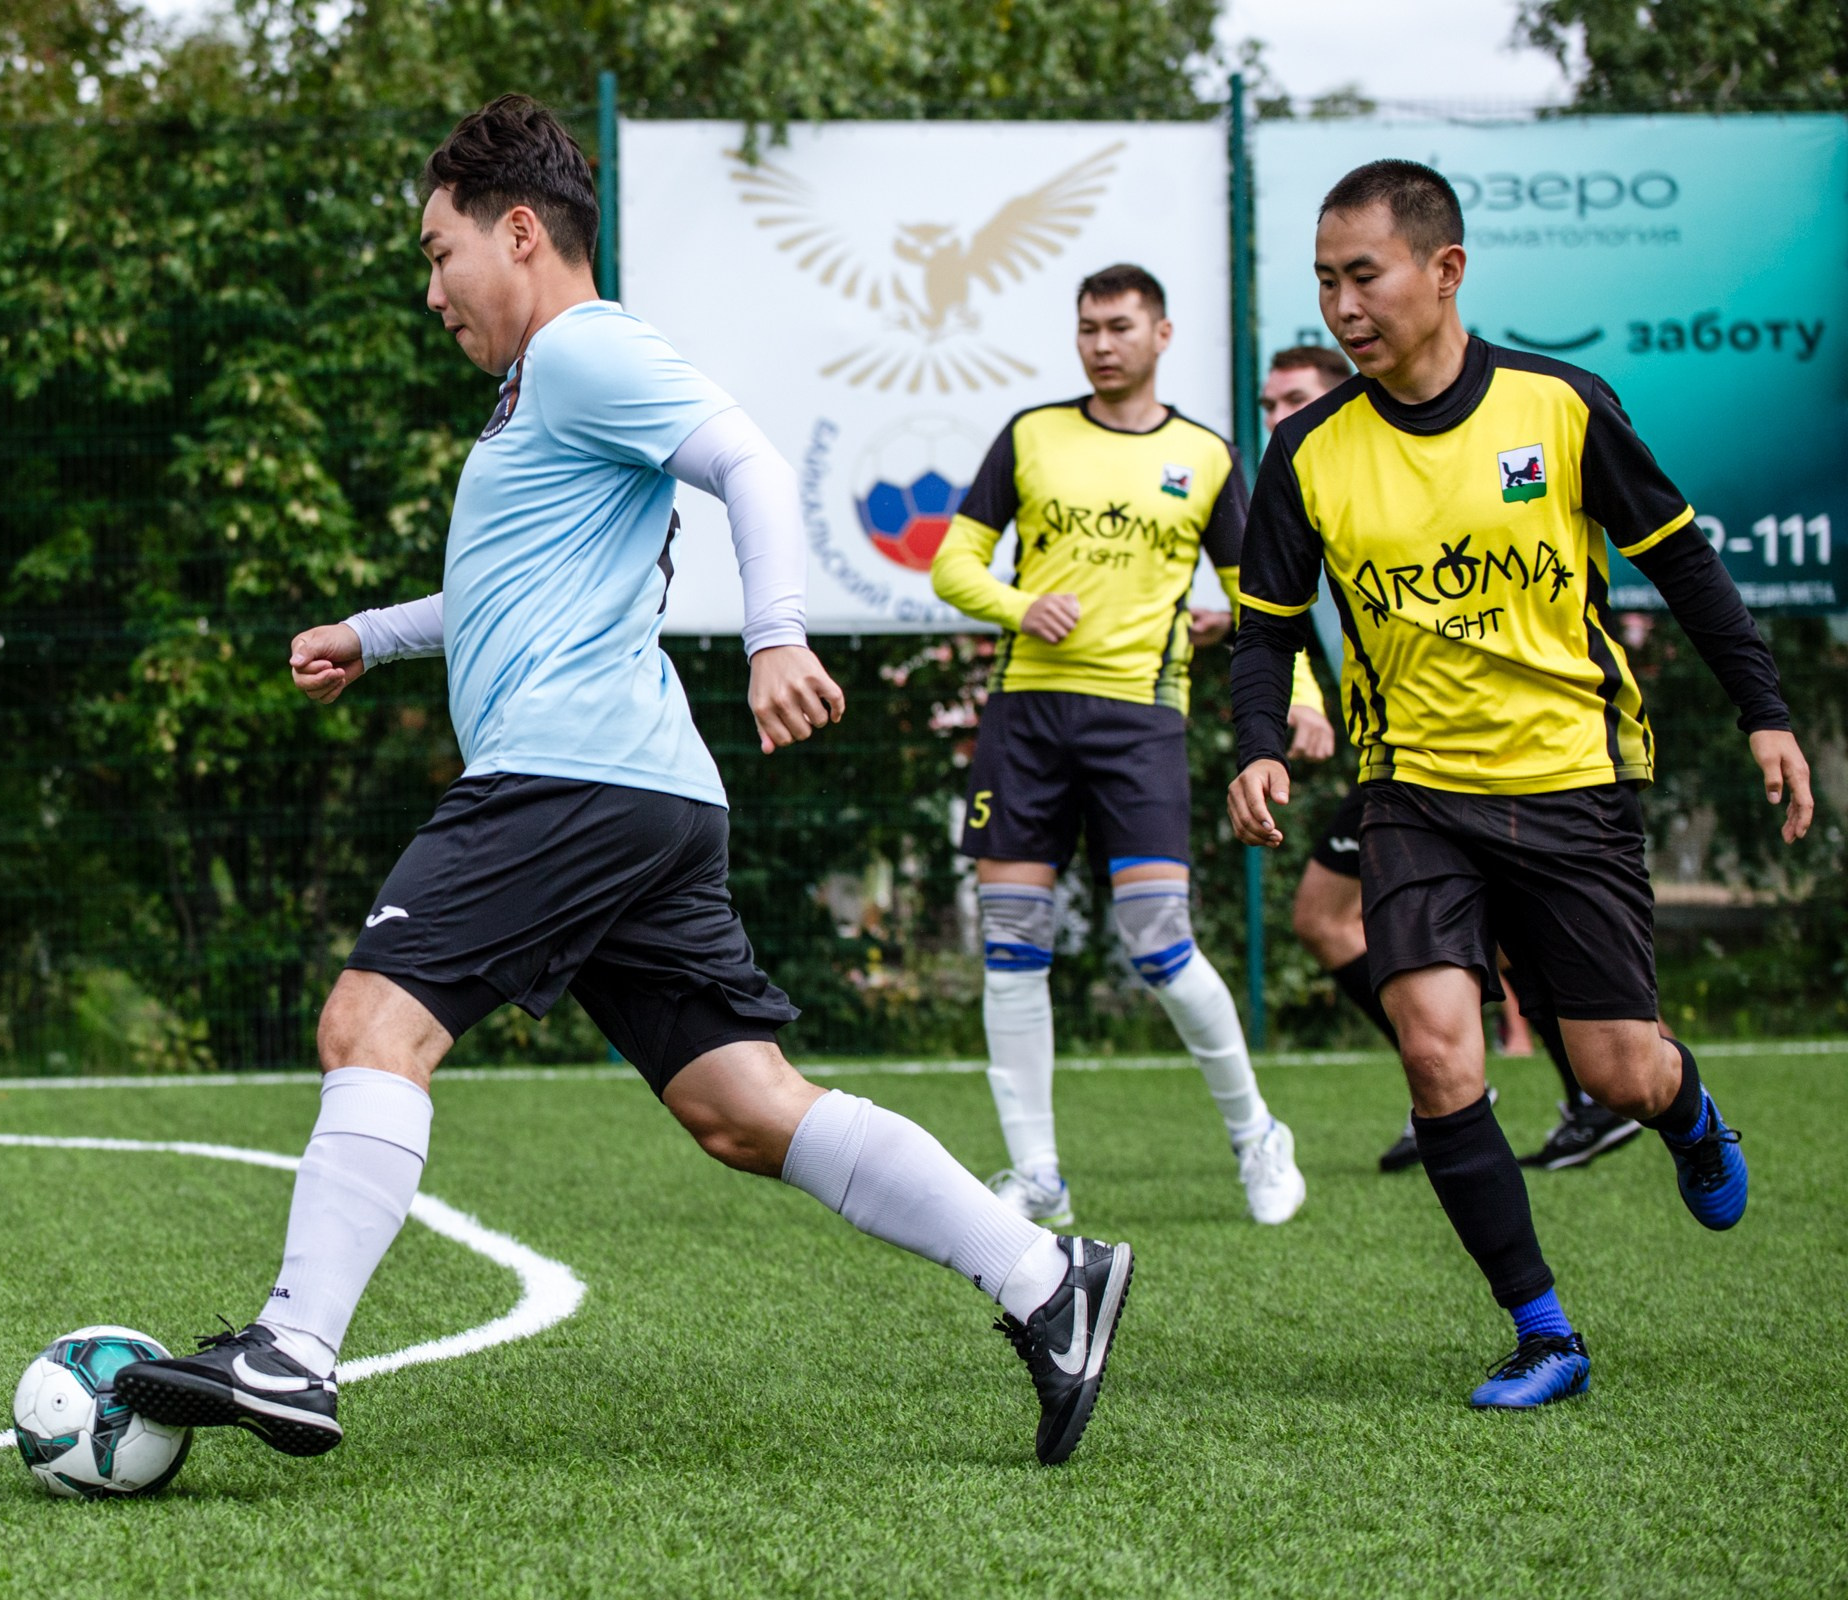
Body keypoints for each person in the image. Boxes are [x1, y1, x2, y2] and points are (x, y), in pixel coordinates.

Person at [110, 96, 1132, 1469]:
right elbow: (500, 590)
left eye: (437, 254)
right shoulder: (541, 388)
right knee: (742, 1107)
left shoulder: (588, 347)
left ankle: (292, 1348)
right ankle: (1046, 1283)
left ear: (518, 232)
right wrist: (374, 634)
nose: (431, 291)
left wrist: (776, 633)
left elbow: (753, 462)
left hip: (565, 777)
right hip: (640, 793)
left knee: (370, 1024)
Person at [1228, 159, 1812, 1408]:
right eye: (1326, 280)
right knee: (1441, 1057)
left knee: (1616, 1071)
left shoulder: (1561, 407)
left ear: (1445, 272)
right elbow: (1264, 625)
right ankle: (1544, 1331)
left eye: (1364, 275)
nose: (1343, 305)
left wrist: (1766, 711)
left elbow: (1689, 569)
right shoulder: (1307, 450)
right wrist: (1258, 745)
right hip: (1414, 795)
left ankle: (1689, 1110)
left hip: (1573, 788)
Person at [930, 264, 1328, 1231]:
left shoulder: (1206, 454)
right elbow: (953, 563)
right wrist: (1023, 604)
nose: (1101, 343)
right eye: (1087, 328)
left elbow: (1261, 602)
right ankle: (1038, 1176)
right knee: (1013, 946)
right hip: (1026, 717)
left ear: (1161, 334)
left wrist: (1305, 693)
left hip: (1140, 721)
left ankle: (1255, 1136)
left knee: (1160, 941)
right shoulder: (1031, 435)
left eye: (1119, 326)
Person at [1264, 347, 1637, 1176]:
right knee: (1333, 919)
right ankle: (1459, 1072)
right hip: (1398, 757)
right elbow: (1273, 623)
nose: (1276, 413)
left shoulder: (1427, 450)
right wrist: (1297, 706)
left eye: (1292, 397)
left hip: (1485, 753)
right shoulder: (1304, 470)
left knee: (1357, 917)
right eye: (1268, 400)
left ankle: (1537, 1083)